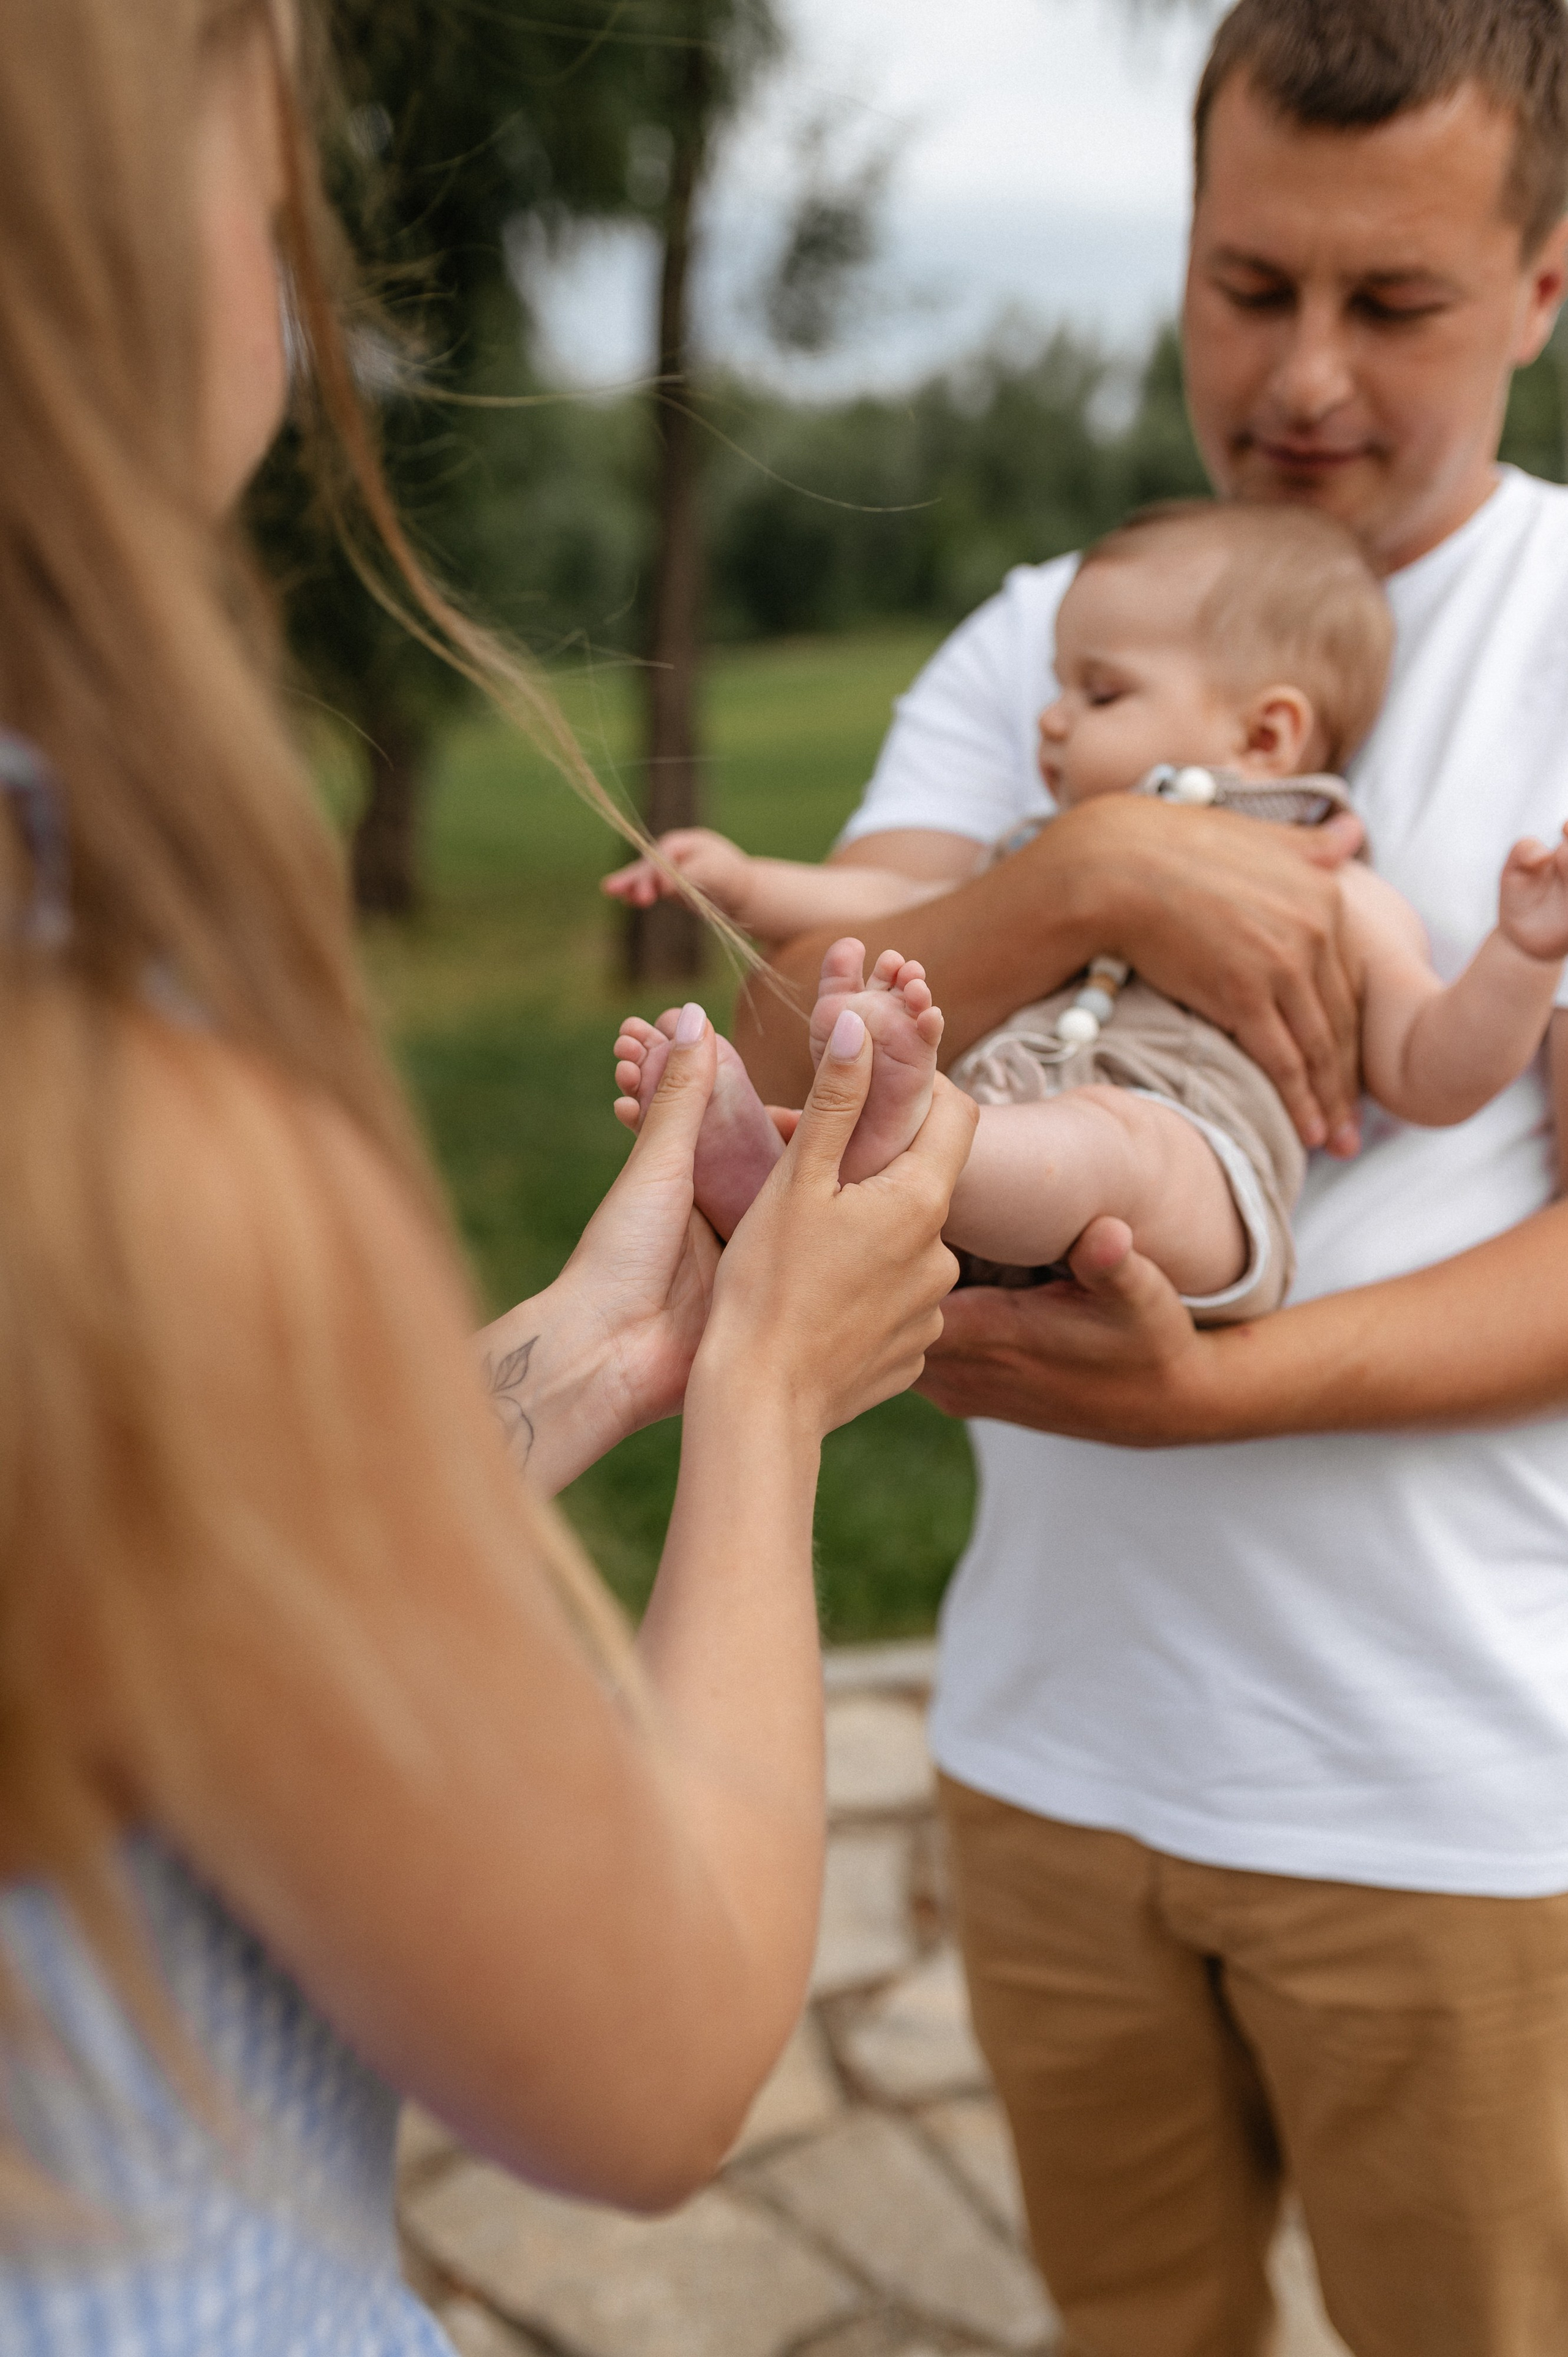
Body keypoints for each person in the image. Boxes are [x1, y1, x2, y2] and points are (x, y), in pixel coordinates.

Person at [0, 4, 975, 2351]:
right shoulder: (117, 1122)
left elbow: (138, 1586)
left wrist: (579, 1349)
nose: (306, 244)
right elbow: (646, 2060)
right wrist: (765, 1403)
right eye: (270, 162)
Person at [736, 2, 1568, 2352]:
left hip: (1449, 1781)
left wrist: (1231, 1385)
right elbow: (802, 1059)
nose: (1302, 374)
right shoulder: (1061, 631)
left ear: (1542, 285)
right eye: (1246, 283)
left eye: (1389, 302)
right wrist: (1086, 859)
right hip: (1053, 1738)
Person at [609, 499, 1568, 1318]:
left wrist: (1521, 955)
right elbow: (896, 902)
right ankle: (784, 1185)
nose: (1052, 719)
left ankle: (904, 1139)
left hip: (1199, 1175)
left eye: (1100, 692)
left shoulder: (1329, 887)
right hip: (1012, 1163)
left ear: (1266, 732)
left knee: (1119, 1141)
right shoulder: (1042, 849)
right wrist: (745, 883)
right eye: (1060, 685)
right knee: (1022, 1143)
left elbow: (1430, 1071)